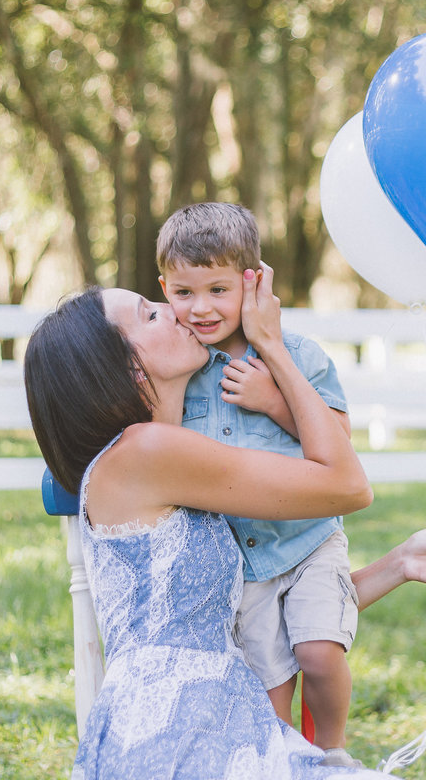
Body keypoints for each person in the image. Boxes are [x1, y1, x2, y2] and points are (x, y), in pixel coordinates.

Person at [23, 266, 426, 780]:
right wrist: (274, 349)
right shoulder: (146, 452)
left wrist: (400, 562)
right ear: (127, 369)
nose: (175, 311)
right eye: (150, 314)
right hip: (175, 736)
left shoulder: (163, 465)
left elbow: (278, 605)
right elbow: (349, 484)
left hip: (225, 726)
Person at [155, 202, 362, 766]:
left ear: (253, 282)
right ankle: (281, 766)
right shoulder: (173, 364)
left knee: (318, 654)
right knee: (267, 701)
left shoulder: (298, 357)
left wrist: (274, 397)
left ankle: (333, 754)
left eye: (218, 290)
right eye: (183, 293)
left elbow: (341, 445)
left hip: (306, 539)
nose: (201, 308)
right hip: (236, 564)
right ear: (164, 289)